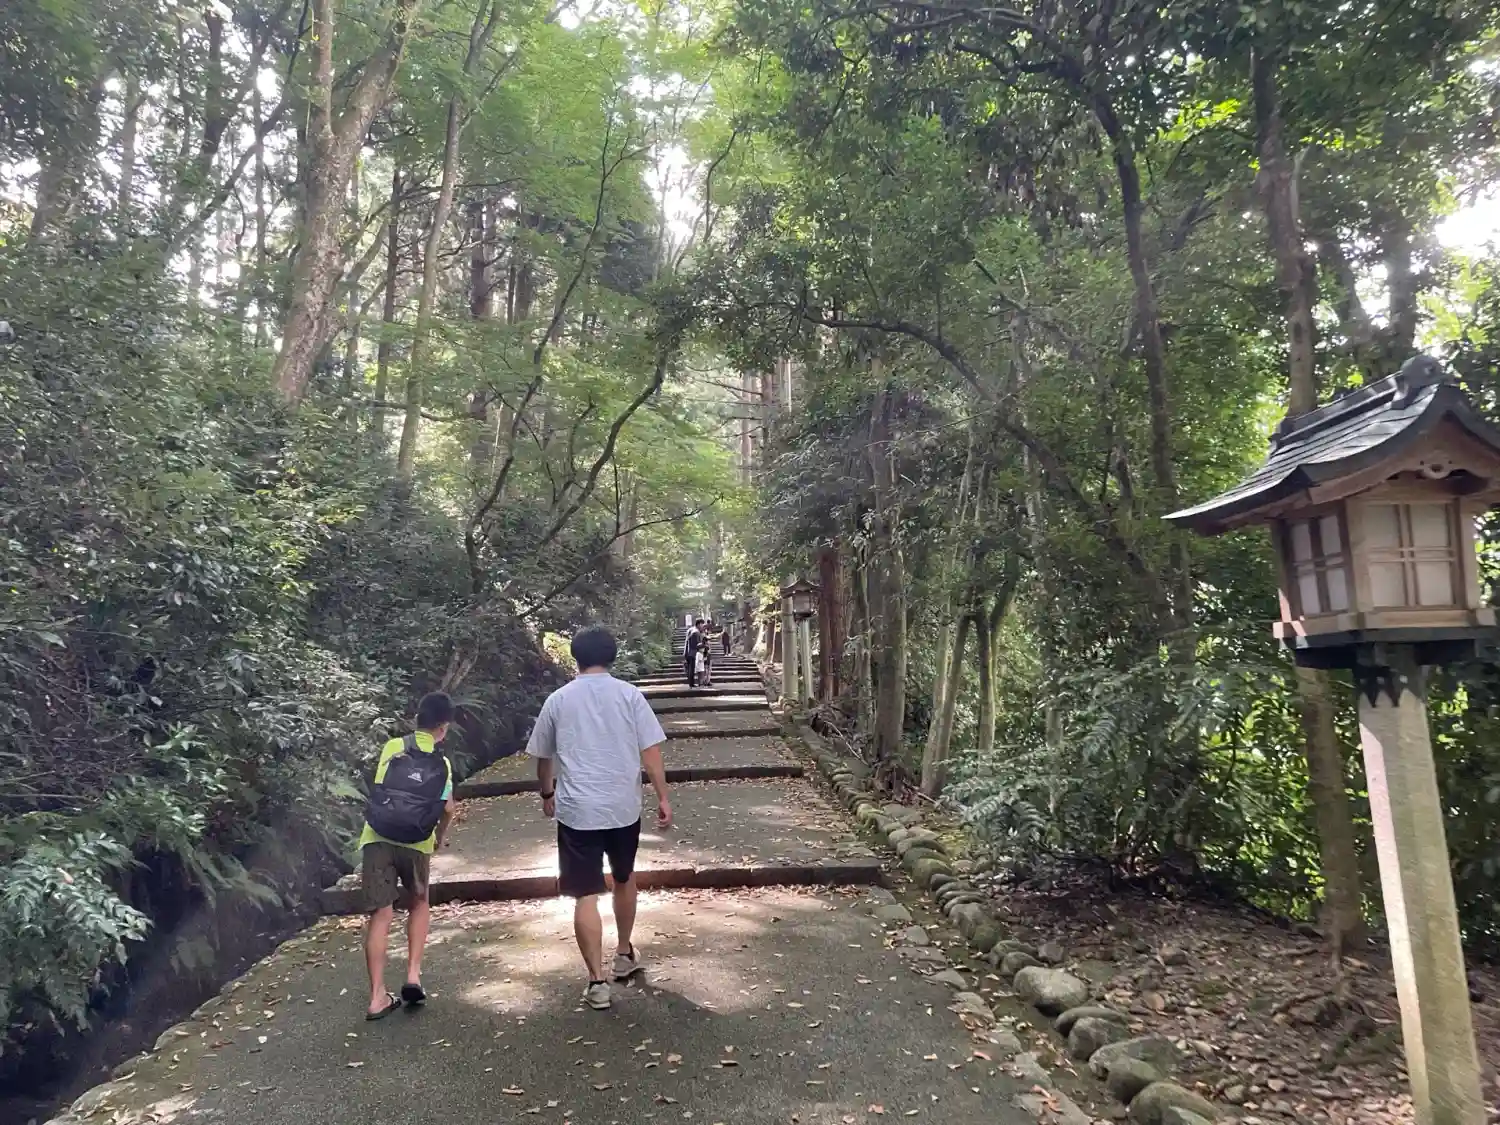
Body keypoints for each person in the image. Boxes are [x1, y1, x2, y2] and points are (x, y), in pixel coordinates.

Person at [528, 626, 672, 1009]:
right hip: (623, 807)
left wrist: (547, 793)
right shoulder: (630, 695)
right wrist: (663, 796)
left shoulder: (558, 700)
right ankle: (623, 953)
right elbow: (651, 752)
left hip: (577, 810)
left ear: (575, 657)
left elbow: (544, 757)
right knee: (624, 877)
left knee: (585, 895)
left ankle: (596, 983)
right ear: (612, 656)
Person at [359, 691, 456, 1020]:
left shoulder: (393, 747)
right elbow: (448, 809)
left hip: (377, 837)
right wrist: (438, 838)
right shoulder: (442, 764)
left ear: (417, 719)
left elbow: (379, 789)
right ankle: (413, 976)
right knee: (419, 902)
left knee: (381, 914)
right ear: (443, 727)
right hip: (416, 841)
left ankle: (377, 997)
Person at [683, 618, 705, 688]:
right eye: (702, 624)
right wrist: (704, 644)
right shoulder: (696, 632)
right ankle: (691, 684)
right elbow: (696, 645)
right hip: (692, 652)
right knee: (691, 668)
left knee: (690, 668)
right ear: (699, 624)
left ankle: (691, 683)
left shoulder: (690, 630)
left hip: (687, 651)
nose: (702, 626)